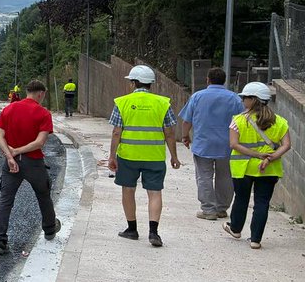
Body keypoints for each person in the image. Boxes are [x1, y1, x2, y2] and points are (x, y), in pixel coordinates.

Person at [107, 64, 181, 248]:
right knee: (154, 193)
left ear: (133, 83)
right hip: (154, 156)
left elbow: (117, 132)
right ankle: (153, 232)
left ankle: (132, 229)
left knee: (128, 190)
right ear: (151, 84)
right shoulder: (163, 103)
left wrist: (112, 156)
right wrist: (174, 156)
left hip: (128, 156)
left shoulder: (122, 102)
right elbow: (170, 133)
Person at [0, 79, 61, 254]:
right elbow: (40, 142)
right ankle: (50, 229)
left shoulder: (9, 109)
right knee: (43, 195)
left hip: (11, 163)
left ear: (26, 91)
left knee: (5, 200)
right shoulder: (43, 113)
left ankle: (0, 241)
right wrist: (18, 151)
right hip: (34, 163)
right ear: (40, 94)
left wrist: (10, 156)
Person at [224, 82, 292, 248]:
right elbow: (286, 145)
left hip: (243, 168)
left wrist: (256, 155)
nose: (242, 100)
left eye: (245, 97)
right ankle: (255, 240)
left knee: (241, 198)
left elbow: (233, 144)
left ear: (253, 100)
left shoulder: (238, 120)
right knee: (262, 203)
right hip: (269, 169)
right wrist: (269, 158)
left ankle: (235, 228)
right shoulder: (281, 122)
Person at [178, 67, 243, 220]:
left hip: (203, 145)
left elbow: (187, 120)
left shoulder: (197, 97)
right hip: (227, 145)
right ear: (224, 80)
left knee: (204, 176)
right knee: (226, 177)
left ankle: (208, 210)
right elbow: (242, 121)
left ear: (208, 79)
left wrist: (185, 136)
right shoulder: (234, 98)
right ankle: (221, 208)